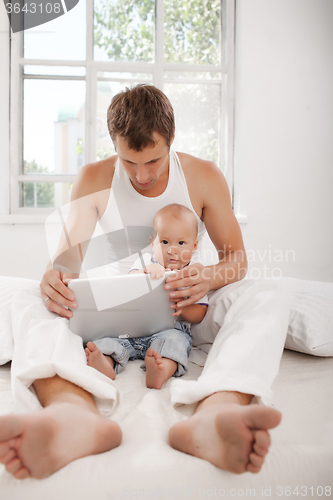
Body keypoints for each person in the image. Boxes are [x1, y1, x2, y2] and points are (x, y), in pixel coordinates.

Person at [0, 84, 290, 479]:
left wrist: (207, 277)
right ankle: (72, 415)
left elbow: (236, 259)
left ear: (172, 139)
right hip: (114, 312)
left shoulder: (203, 176)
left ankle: (218, 412)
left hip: (188, 307)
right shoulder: (93, 177)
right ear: (114, 145)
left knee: (267, 291)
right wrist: (54, 278)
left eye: (153, 160)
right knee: (28, 298)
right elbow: (66, 263)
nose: (142, 175)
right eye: (129, 162)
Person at [85, 203, 208, 389]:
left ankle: (161, 370)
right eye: (164, 242)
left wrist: (182, 306)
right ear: (153, 243)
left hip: (169, 329)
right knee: (108, 339)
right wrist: (145, 273)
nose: (172, 250)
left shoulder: (193, 274)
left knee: (175, 343)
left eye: (181, 243)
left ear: (194, 246)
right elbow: (129, 286)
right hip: (131, 330)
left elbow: (200, 313)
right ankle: (105, 363)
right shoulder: (145, 262)